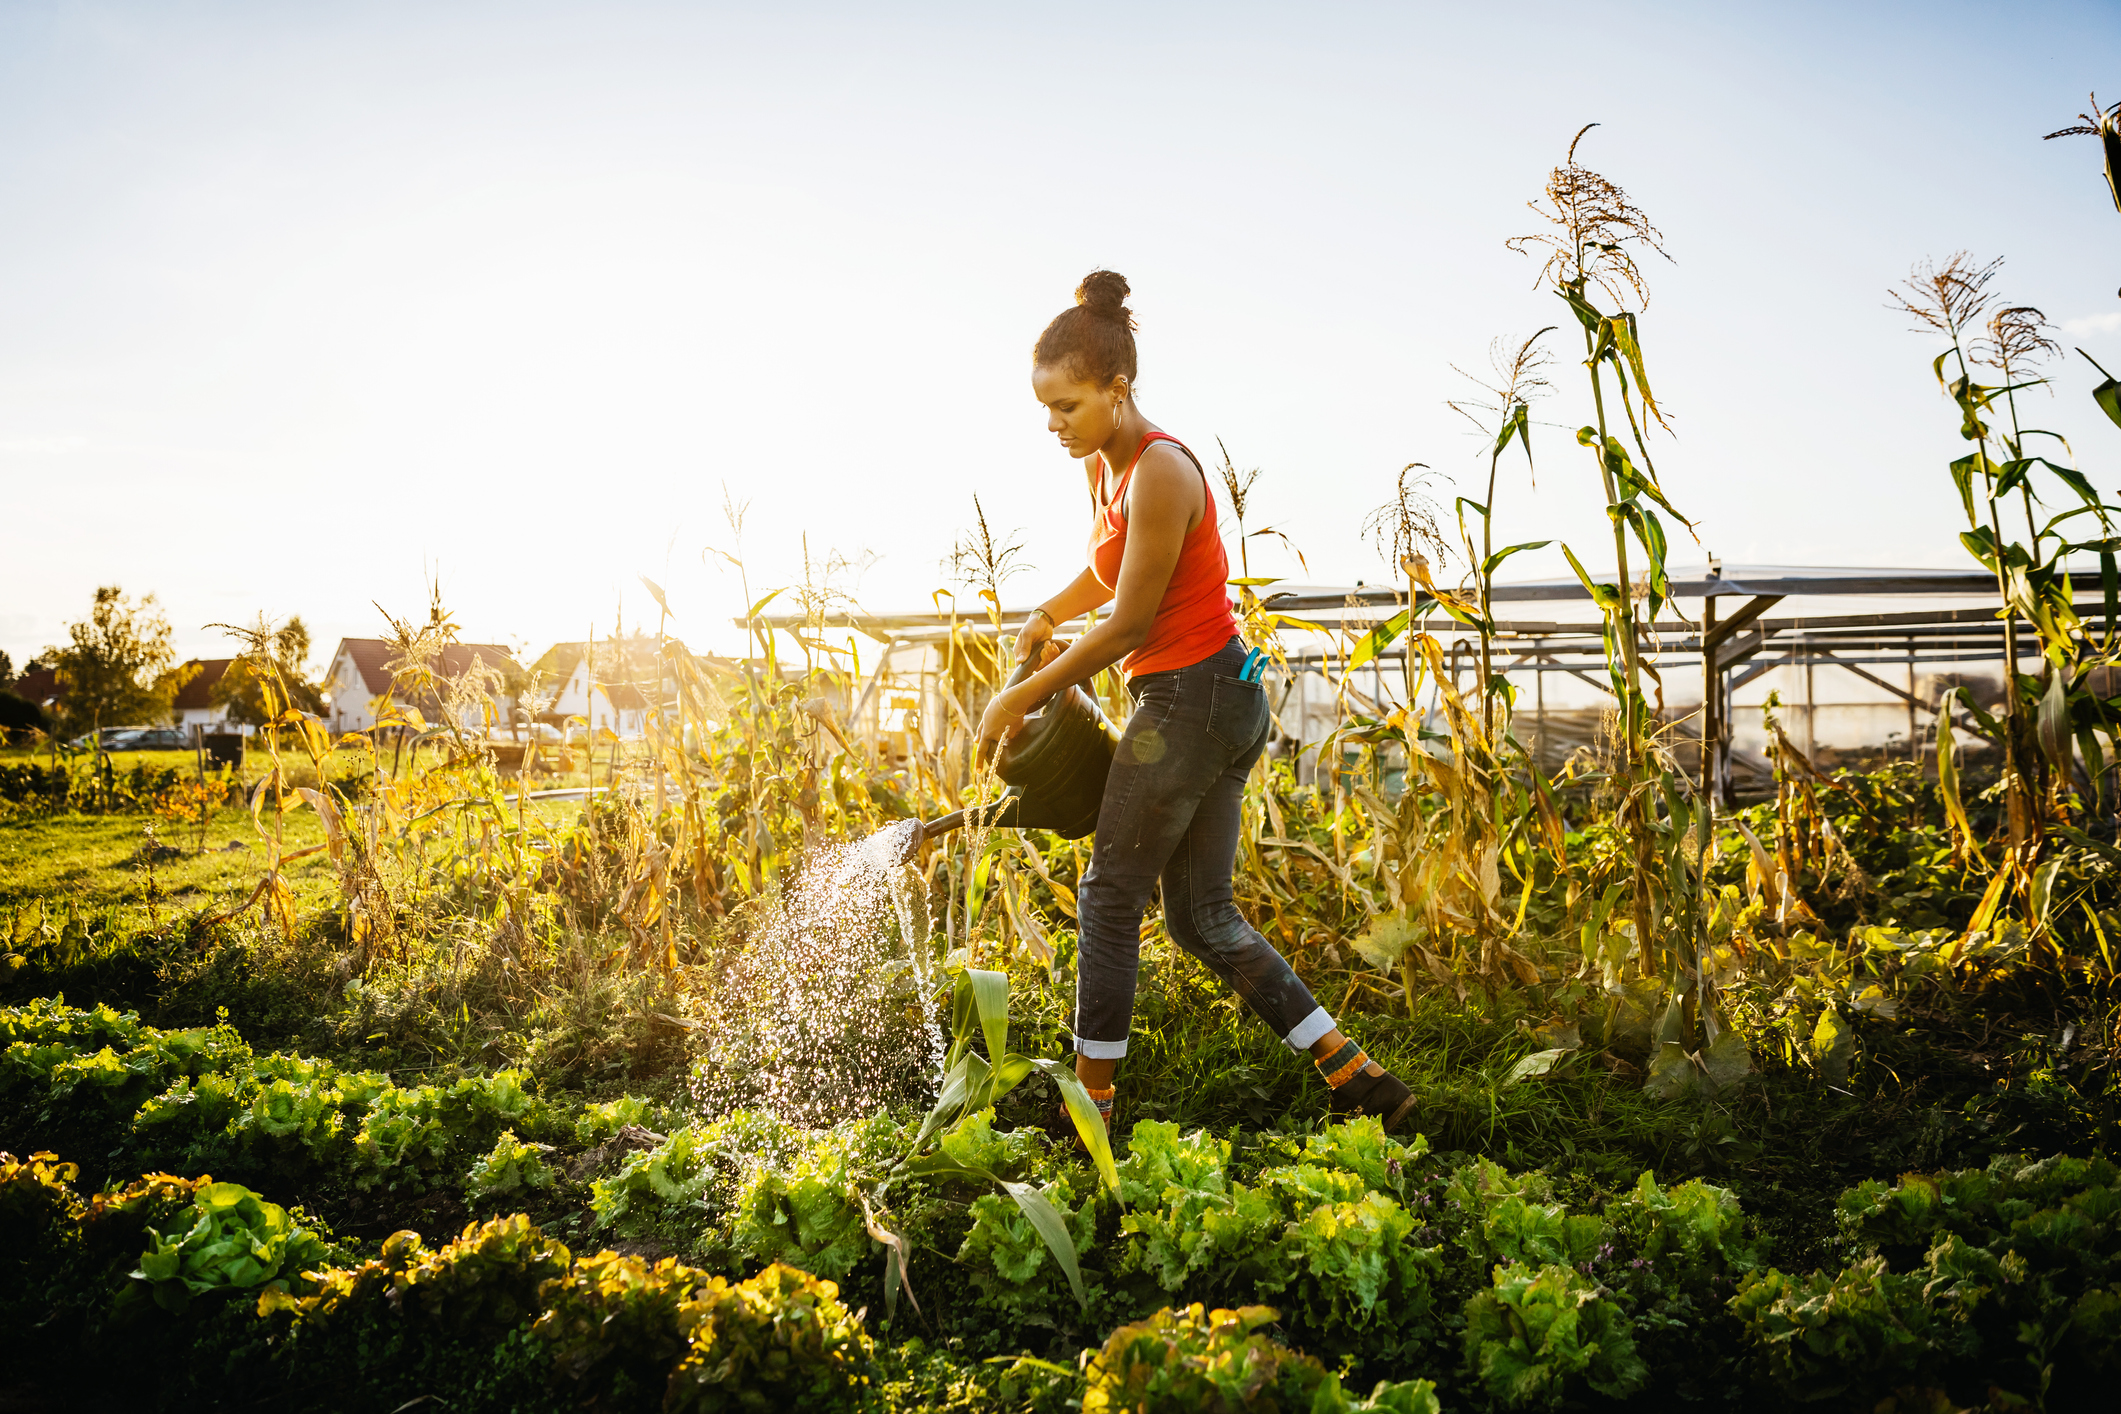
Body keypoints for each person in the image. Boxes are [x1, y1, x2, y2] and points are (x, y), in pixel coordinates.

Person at [977, 270, 1417, 1135]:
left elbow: (1132, 621)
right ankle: (1359, 1078)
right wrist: (1044, 615)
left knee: (1108, 897)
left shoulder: (1161, 471)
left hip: (1192, 700)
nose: (1053, 424)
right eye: (1045, 409)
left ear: (1116, 389)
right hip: (1209, 698)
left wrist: (1018, 696)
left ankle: (1089, 1110)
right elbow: (1110, 572)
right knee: (1199, 919)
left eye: (1066, 406)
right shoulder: (1107, 472)